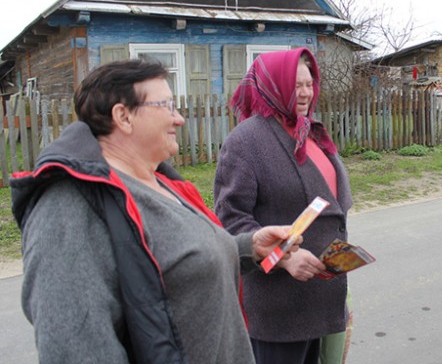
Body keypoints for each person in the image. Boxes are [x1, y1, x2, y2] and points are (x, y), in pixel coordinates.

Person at [10, 60, 300, 363]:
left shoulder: (161, 182)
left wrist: (248, 248)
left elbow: (175, 262)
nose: (180, 119)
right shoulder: (70, 204)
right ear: (123, 116)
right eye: (168, 106)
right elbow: (74, 345)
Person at [214, 47, 352, 364]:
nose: (305, 93)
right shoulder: (246, 141)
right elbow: (230, 221)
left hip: (325, 299)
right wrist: (284, 258)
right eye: (295, 85)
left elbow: (332, 208)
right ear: (272, 85)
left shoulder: (313, 133)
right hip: (279, 311)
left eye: (309, 84)